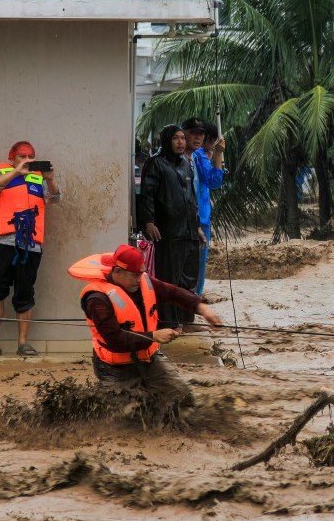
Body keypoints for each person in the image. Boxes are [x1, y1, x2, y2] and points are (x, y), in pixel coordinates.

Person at [67, 244, 223, 421]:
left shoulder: (142, 282)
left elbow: (172, 292)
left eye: (140, 274)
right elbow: (115, 340)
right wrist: (154, 336)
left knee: (183, 398)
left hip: (148, 359)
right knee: (130, 416)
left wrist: (201, 308)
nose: (139, 279)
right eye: (134, 275)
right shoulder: (97, 299)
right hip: (114, 368)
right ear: (117, 272)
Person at [0, 141, 62, 357]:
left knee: (25, 293)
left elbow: (56, 199)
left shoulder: (38, 178)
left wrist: (50, 179)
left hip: (30, 246)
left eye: (31, 156)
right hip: (2, 243)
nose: (27, 160)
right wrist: (16, 172)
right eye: (22, 156)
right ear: (11, 158)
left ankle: (23, 343)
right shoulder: (1, 174)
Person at [138, 125, 202, 327]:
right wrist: (148, 221)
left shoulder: (185, 164)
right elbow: (146, 195)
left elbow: (191, 199)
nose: (181, 142)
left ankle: (186, 321)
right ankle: (168, 323)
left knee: (189, 281)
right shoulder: (155, 163)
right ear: (167, 140)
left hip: (189, 231)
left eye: (183, 138)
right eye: (176, 138)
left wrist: (197, 227)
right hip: (168, 232)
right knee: (169, 281)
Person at [181, 119, 226, 294]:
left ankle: (193, 297)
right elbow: (214, 180)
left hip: (202, 216)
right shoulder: (199, 156)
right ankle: (194, 297)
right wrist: (218, 155)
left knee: (198, 262)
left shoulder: (198, 156)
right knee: (197, 263)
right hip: (197, 217)